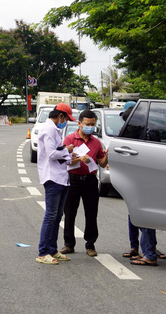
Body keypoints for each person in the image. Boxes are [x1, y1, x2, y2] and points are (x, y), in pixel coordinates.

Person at [117, 101, 166, 266]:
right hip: (137, 180)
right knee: (135, 214)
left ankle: (150, 253)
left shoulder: (148, 133)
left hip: (145, 181)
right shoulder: (140, 132)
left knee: (144, 217)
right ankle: (141, 249)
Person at [59, 109, 108, 257]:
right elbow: (63, 161)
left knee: (91, 213)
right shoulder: (70, 140)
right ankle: (69, 244)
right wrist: (79, 159)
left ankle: (90, 244)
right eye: (87, 124)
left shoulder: (96, 142)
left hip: (90, 181)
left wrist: (107, 156)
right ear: (79, 124)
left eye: (93, 124)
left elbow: (101, 163)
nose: (90, 127)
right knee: (69, 213)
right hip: (73, 180)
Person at [36, 103, 77, 265]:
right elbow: (52, 154)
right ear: (60, 116)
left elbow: (58, 153)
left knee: (58, 215)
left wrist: (68, 154)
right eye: (66, 118)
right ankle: (43, 252)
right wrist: (67, 149)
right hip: (52, 178)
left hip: (61, 177)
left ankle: (52, 249)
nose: (65, 121)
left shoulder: (55, 130)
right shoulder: (48, 129)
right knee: (51, 215)